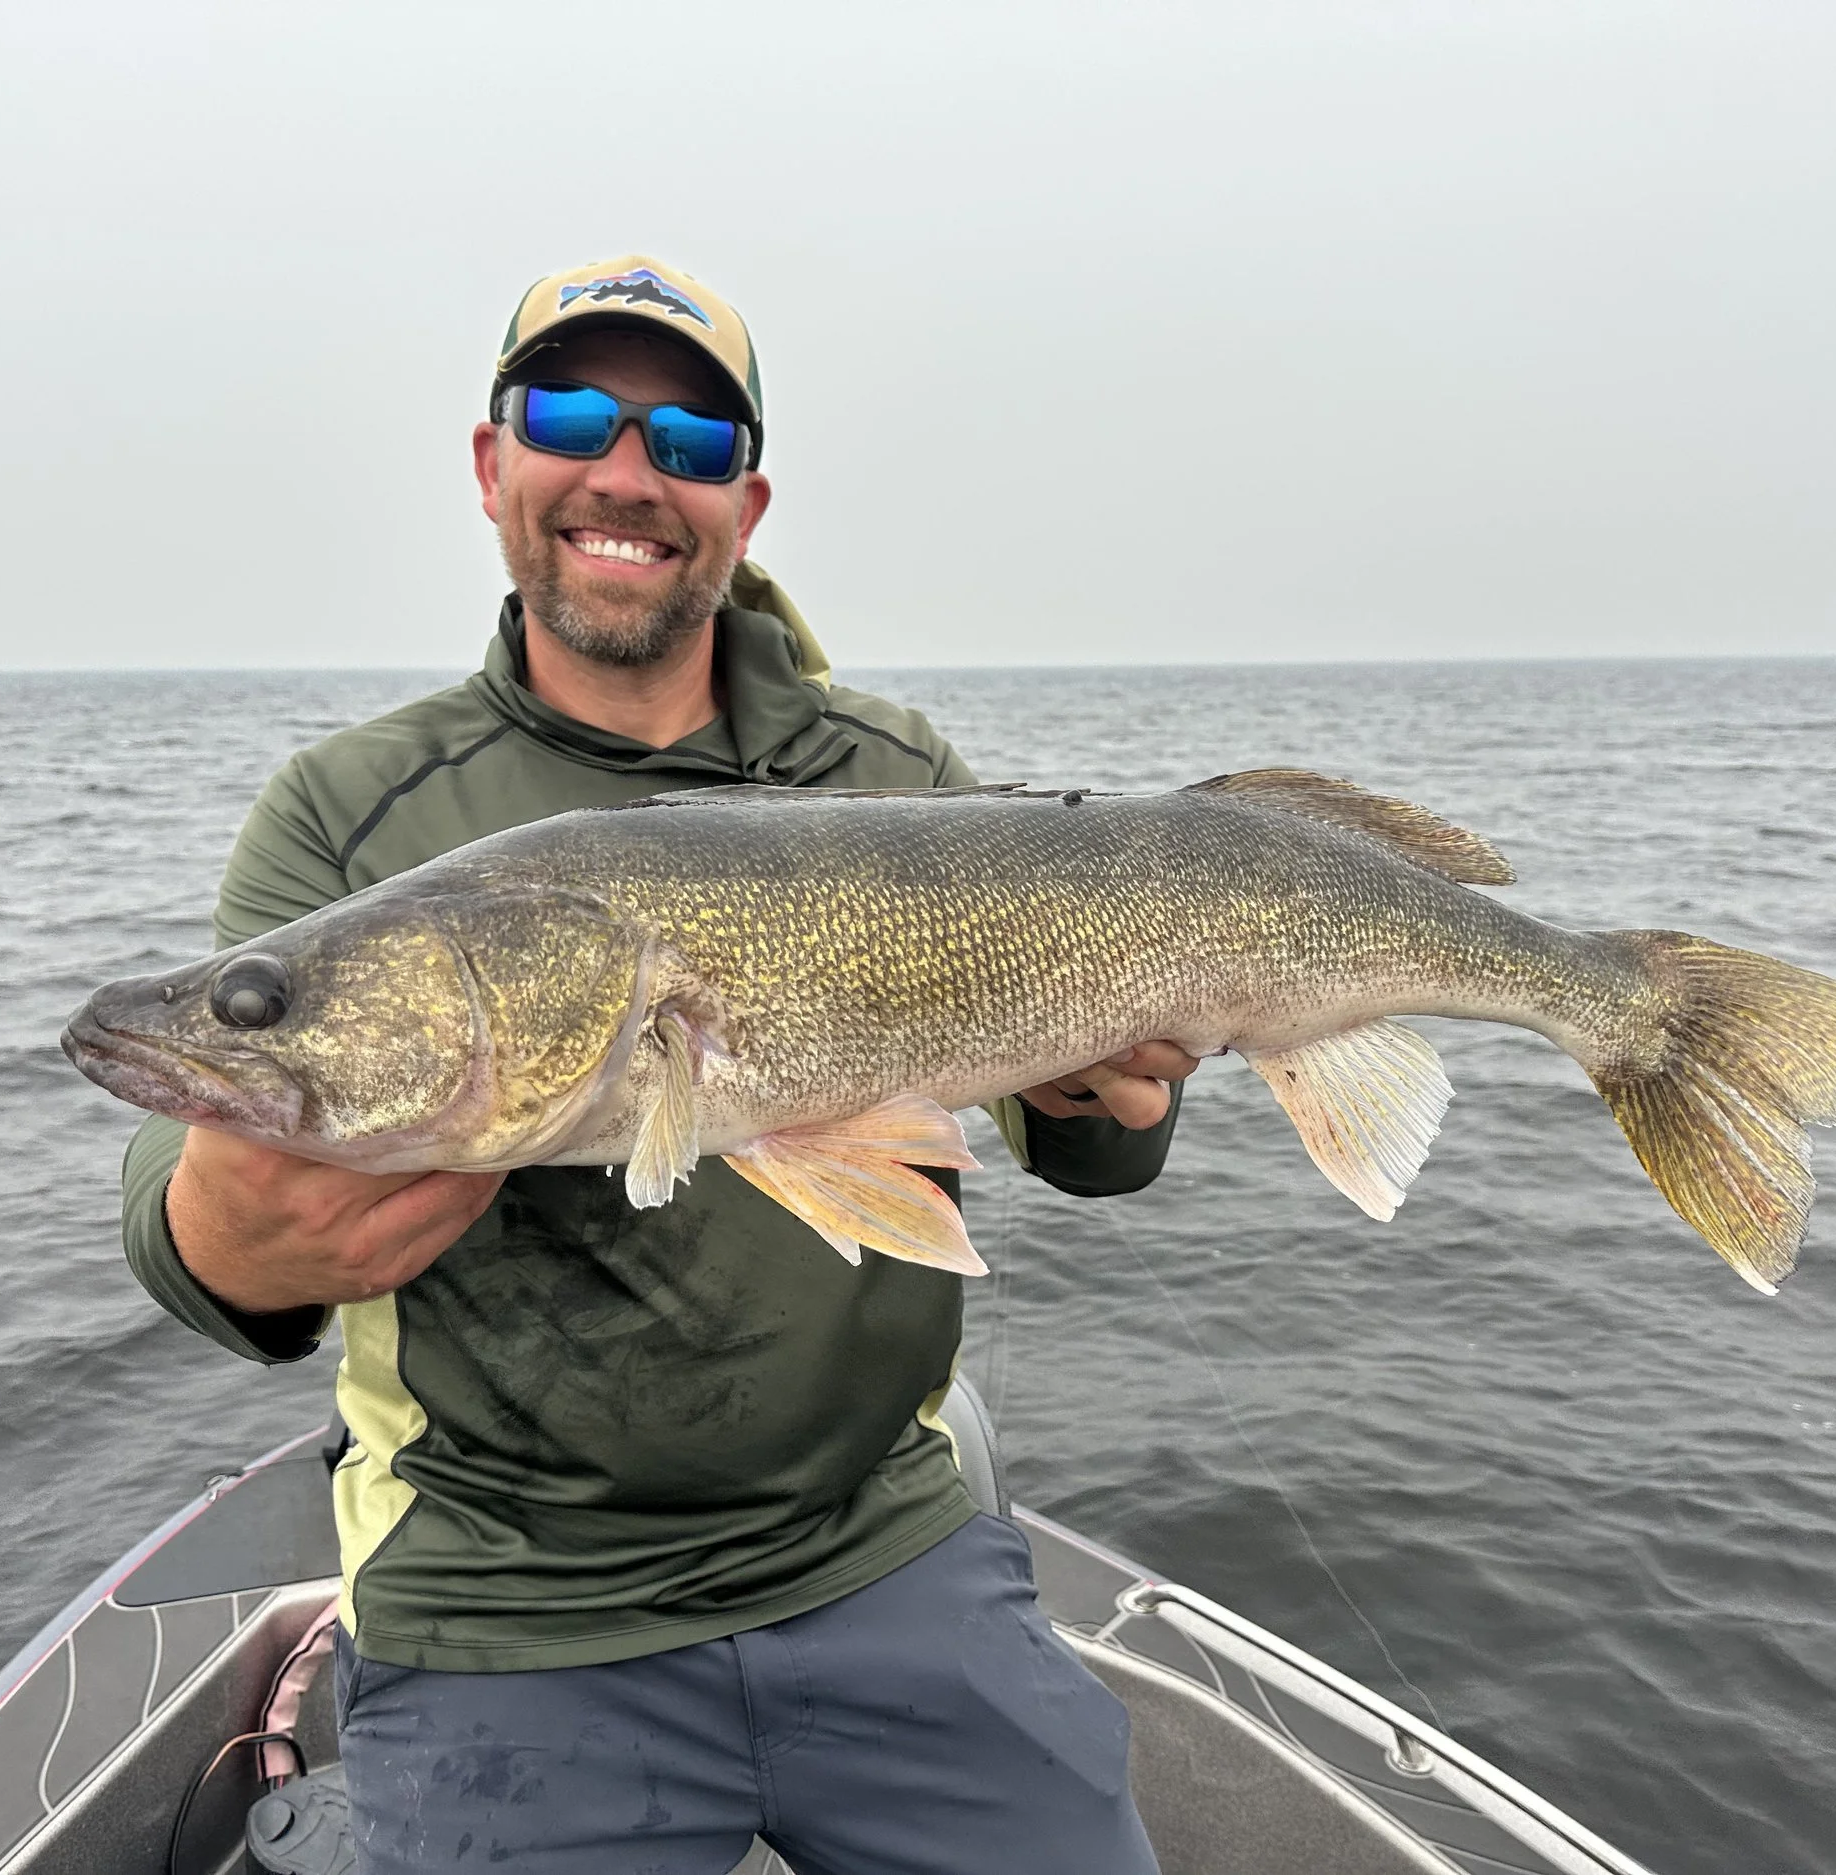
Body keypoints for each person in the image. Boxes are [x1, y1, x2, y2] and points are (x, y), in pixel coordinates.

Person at [120, 255, 1198, 1874]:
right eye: (572, 414)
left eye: (690, 441)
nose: (628, 471)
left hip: (884, 1542)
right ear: (495, 464)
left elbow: (1098, 1149)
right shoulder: (352, 812)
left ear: (745, 505)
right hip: (510, 1599)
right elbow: (193, 1220)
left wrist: (1108, 1091)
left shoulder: (895, 775)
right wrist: (218, 1238)